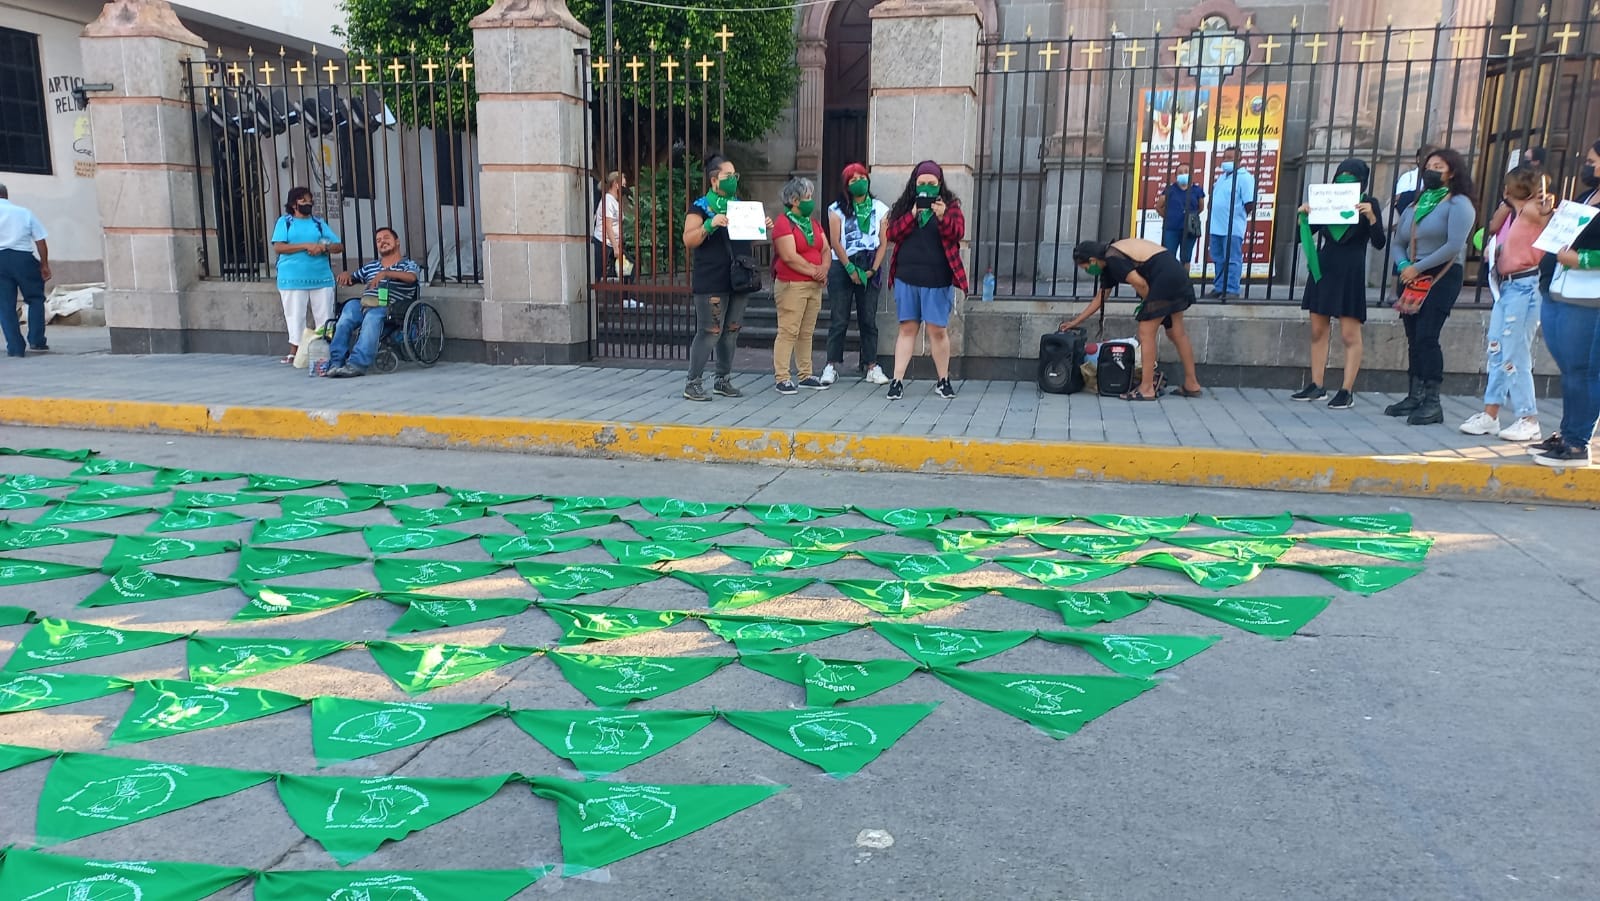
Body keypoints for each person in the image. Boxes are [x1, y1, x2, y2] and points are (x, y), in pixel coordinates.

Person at [1459, 167, 1552, 441]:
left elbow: (1553, 223)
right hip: (1508, 287)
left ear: (1509, 189)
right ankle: (1491, 414)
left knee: (1514, 353)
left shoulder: (1531, 210)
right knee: (1497, 350)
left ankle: (1528, 418)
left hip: (1523, 288)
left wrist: (1546, 207)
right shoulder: (1515, 213)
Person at [1387, 147, 1476, 426]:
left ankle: (1432, 401)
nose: (1431, 171)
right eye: (1429, 165)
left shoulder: (1458, 204)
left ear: (1452, 171)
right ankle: (1414, 394)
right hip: (1412, 275)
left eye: (1439, 166)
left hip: (1440, 274)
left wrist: (1418, 268)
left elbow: (1453, 245)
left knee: (1427, 336)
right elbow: (1399, 240)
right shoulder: (1418, 203)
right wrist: (1403, 266)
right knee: (1414, 337)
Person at [1291, 158, 1386, 409]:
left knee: (1349, 333)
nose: (1344, 179)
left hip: (1351, 271)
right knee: (1317, 329)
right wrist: (1304, 216)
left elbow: (1379, 242)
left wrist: (1372, 217)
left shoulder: (1368, 203)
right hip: (1325, 267)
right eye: (1340, 175)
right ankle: (1317, 384)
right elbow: (1303, 235)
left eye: (1350, 176)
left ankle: (1346, 389)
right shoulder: (1327, 200)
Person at [1061, 238, 1204, 401]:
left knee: (1145, 332)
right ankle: (1192, 384)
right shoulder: (1108, 262)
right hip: (1175, 274)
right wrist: (1075, 322)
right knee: (1176, 333)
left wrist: (1149, 307)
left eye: (1085, 267)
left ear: (1092, 260)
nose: (1088, 271)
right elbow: (1100, 297)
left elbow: (1141, 284)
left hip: (1164, 278)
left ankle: (1147, 388)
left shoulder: (1113, 259)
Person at [1531, 139, 1600, 467]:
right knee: (1570, 370)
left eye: (1592, 160)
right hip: (1560, 289)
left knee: (1584, 371)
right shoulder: (1588, 196)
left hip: (1589, 298)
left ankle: (1578, 442)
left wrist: (1582, 259)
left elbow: (1581, 251)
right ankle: (1568, 431)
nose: (1587, 166)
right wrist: (1550, 217)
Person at [885, 160, 968, 400]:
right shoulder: (904, 206)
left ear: (939, 184)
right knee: (907, 329)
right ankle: (897, 381)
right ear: (915, 183)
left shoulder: (951, 206)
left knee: (937, 331)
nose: (926, 187)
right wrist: (912, 214)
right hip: (907, 277)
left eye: (931, 183)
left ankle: (943, 380)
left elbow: (958, 233)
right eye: (922, 183)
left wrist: (942, 217)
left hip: (936, 279)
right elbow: (892, 234)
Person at [681, 155, 761, 402]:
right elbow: (689, 239)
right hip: (712, 279)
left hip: (739, 278)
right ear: (714, 180)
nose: (733, 181)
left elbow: (748, 240)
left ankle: (722, 379)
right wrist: (709, 224)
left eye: (735, 176)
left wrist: (761, 226)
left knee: (732, 330)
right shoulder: (701, 207)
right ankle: (693, 383)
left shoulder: (739, 206)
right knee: (710, 330)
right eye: (728, 176)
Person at [823, 162, 890, 385]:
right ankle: (831, 365)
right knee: (839, 318)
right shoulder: (836, 209)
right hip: (843, 265)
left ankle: (871, 365)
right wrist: (850, 268)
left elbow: (883, 242)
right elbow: (834, 241)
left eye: (862, 177)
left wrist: (872, 270)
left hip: (870, 262)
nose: (859, 182)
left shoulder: (880, 208)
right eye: (853, 180)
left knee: (868, 319)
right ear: (846, 185)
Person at [324, 227, 422, 378]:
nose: (382, 241)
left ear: (397, 242)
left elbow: (412, 278)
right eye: (378, 240)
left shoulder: (408, 264)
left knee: (373, 316)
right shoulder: (372, 266)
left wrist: (386, 273)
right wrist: (346, 275)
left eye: (386, 238)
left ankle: (357, 364)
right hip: (365, 303)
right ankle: (336, 362)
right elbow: (353, 278)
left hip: (390, 305)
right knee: (347, 313)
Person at [271, 187, 342, 364]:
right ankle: (295, 351)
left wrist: (323, 247)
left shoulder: (318, 223)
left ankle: (324, 351)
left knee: (325, 316)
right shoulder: (284, 222)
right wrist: (306, 246)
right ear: (293, 204)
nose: (308, 203)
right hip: (292, 278)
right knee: (295, 315)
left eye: (310, 200)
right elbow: (279, 247)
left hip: (321, 277)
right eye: (303, 200)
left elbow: (338, 246)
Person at [770, 176, 828, 394]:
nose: (810, 201)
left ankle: (805, 374)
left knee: (806, 332)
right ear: (794, 200)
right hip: (792, 285)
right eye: (807, 197)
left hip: (813, 285)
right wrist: (816, 271)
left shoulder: (813, 223)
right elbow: (789, 256)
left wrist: (824, 268)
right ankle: (782, 376)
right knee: (788, 330)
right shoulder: (784, 223)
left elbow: (825, 249)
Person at [0, 183, 50, 358]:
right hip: (23, 259)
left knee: (5, 305)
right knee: (35, 298)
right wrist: (44, 264)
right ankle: (37, 340)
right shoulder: (23, 212)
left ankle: (15, 347)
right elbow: (40, 240)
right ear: (6, 195)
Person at [1206, 146, 1256, 299]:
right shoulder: (1223, 177)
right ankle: (1220, 287)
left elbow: (1249, 203)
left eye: (1230, 158)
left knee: (1232, 259)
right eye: (1225, 157)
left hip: (1232, 227)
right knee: (1218, 258)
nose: (1226, 161)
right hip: (1216, 226)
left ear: (1239, 160)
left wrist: (1236, 216)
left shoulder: (1245, 177)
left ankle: (1232, 289)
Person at [1156, 162, 1205, 267]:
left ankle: (1184, 281)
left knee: (1186, 258)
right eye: (1180, 172)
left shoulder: (1197, 190)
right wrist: (1169, 217)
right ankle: (1170, 281)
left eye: (1186, 172)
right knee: (1169, 257)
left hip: (1190, 229)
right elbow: (1159, 207)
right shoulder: (1170, 190)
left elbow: (1200, 207)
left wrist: (1190, 217)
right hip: (1171, 228)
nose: (1183, 174)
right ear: (1176, 175)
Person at [592, 171, 626, 282]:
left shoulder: (614, 201)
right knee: (597, 276)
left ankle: (624, 298)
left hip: (611, 244)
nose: (625, 188)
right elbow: (608, 226)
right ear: (616, 184)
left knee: (627, 272)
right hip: (603, 244)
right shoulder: (608, 200)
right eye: (623, 185)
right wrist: (616, 248)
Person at [1392, 143, 1439, 214]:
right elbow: (1398, 199)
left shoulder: (1440, 177)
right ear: (1418, 159)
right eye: (1429, 157)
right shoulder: (1408, 177)